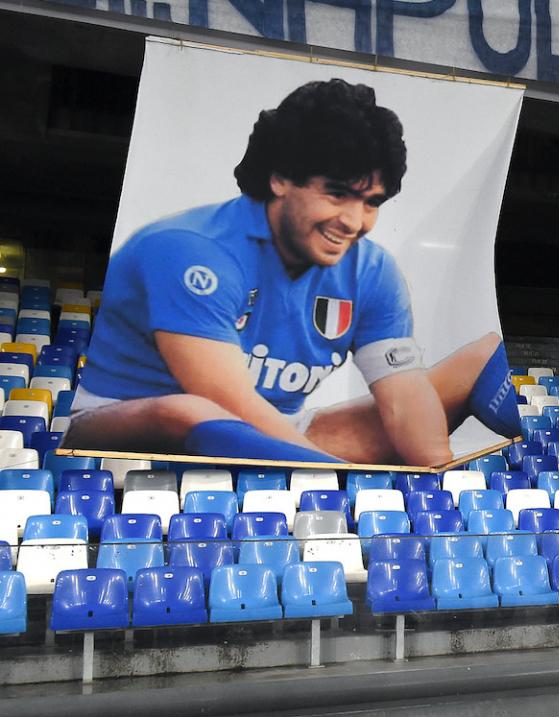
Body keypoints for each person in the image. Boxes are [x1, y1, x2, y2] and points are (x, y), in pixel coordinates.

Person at [63, 78, 520, 465]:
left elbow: (403, 400)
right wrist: (329, 480)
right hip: (126, 430)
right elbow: (226, 403)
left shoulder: (373, 271)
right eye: (337, 194)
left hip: (275, 432)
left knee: (470, 362)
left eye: (372, 202)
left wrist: (434, 488)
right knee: (191, 410)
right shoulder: (189, 249)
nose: (354, 221)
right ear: (280, 177)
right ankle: (311, 471)